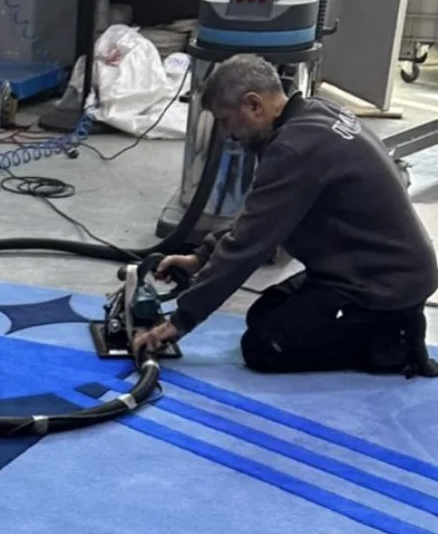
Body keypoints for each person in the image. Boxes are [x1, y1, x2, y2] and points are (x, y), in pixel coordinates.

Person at [131, 54, 437, 375]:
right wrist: (200, 258)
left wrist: (178, 322)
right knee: (264, 314)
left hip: (384, 282)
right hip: (363, 265)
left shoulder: (294, 149)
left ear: (253, 105)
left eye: (225, 120)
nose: (225, 134)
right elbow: (262, 215)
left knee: (264, 349)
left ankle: (392, 344)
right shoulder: (313, 115)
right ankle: (378, 328)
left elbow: (248, 246)